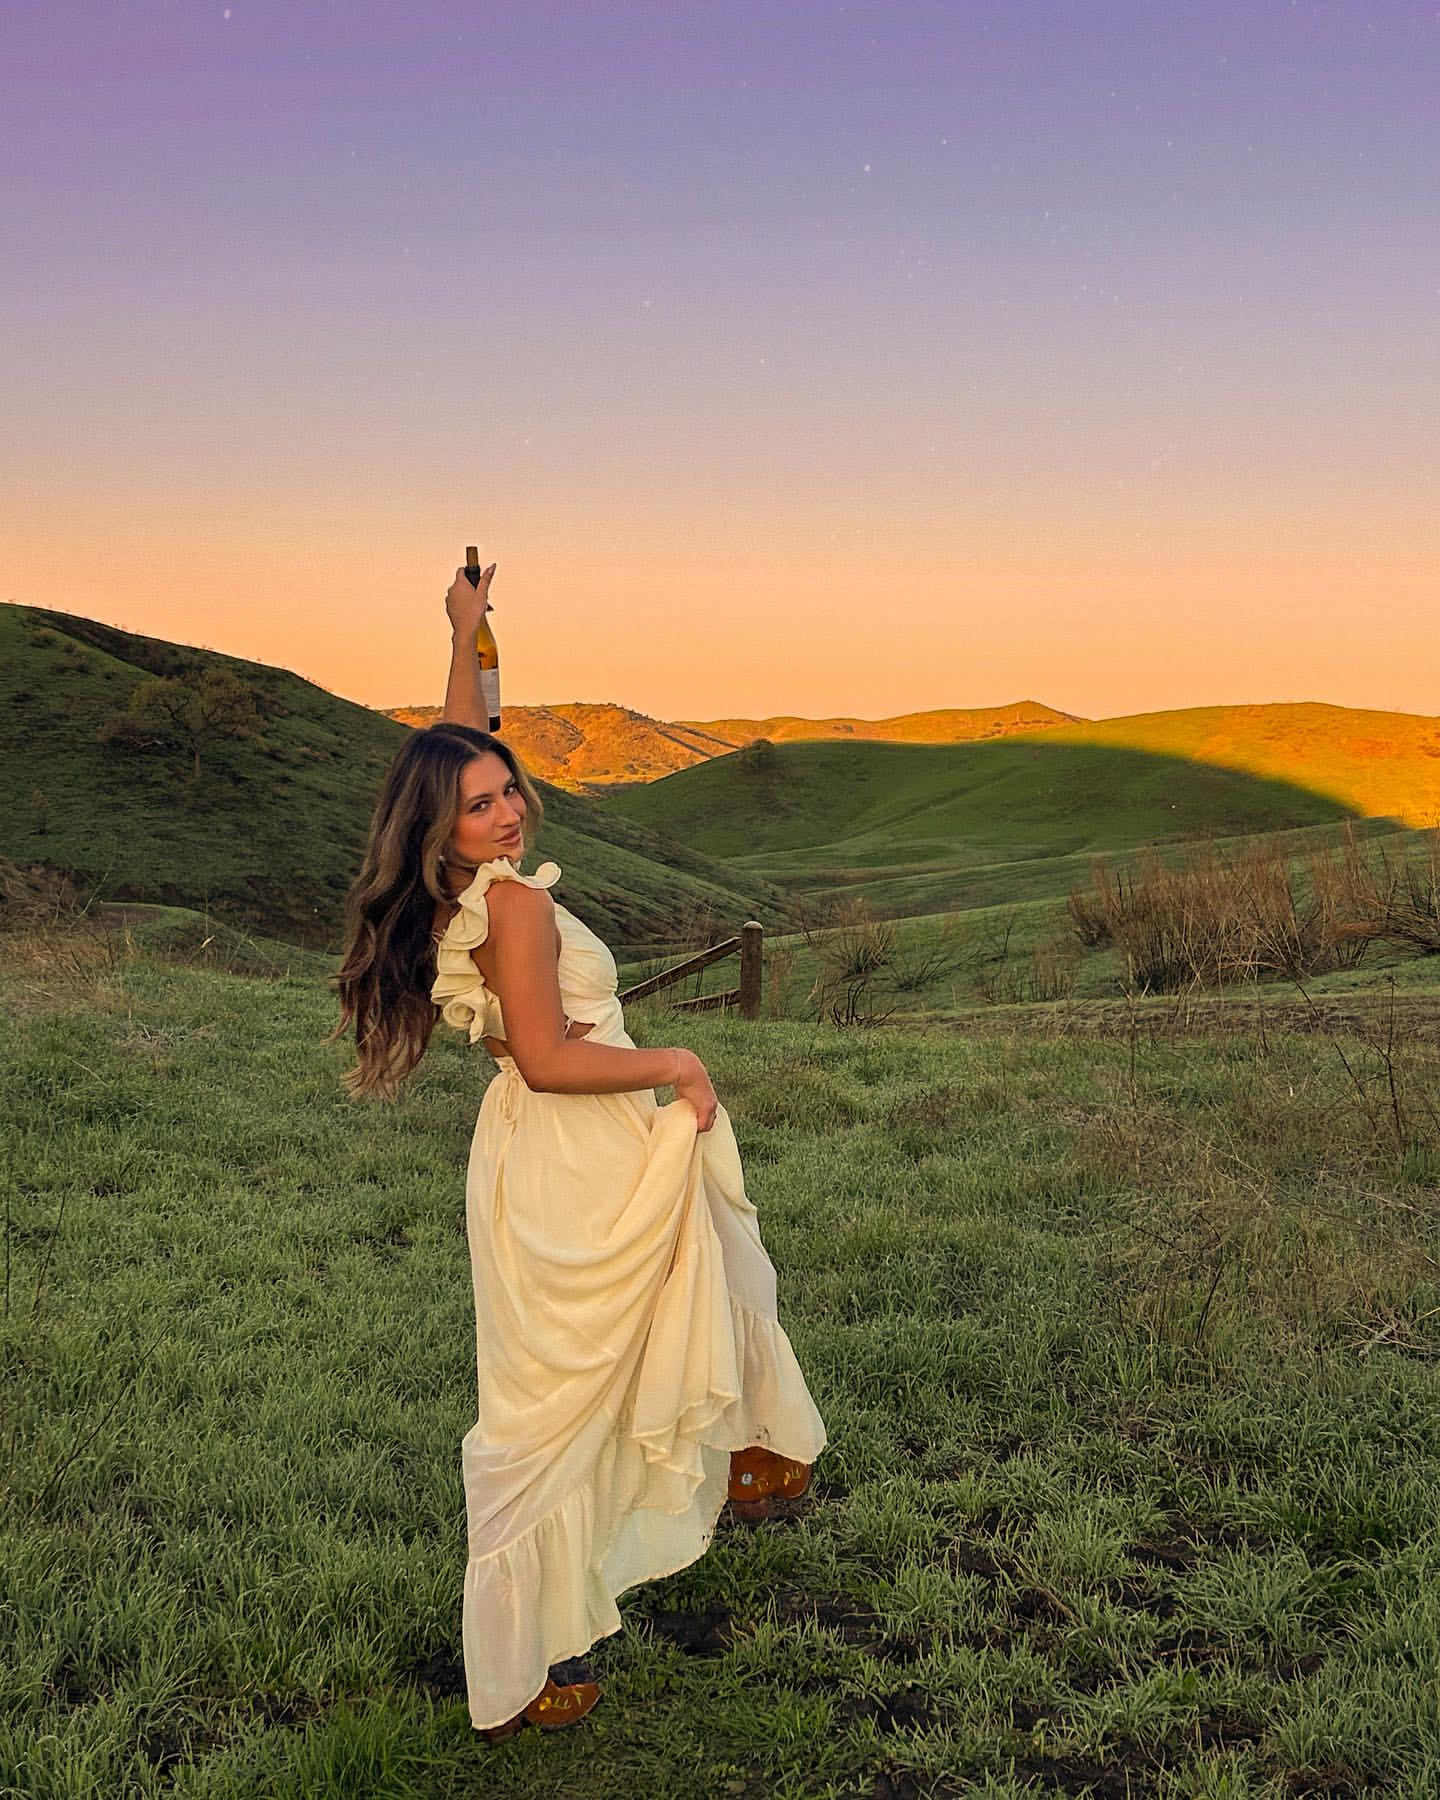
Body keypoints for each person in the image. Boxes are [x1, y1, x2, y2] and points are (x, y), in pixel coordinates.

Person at [331, 564, 827, 1742]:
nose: (508, 811)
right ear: (441, 829)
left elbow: (458, 735)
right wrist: (679, 1064)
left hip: (535, 1147)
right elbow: (550, 1055)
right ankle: (515, 1670)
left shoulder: (465, 882)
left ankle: (751, 1455)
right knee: (560, 1401)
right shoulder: (516, 908)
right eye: (482, 803)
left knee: (713, 1267)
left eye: (509, 790)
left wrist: (467, 633)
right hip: (576, 1132)